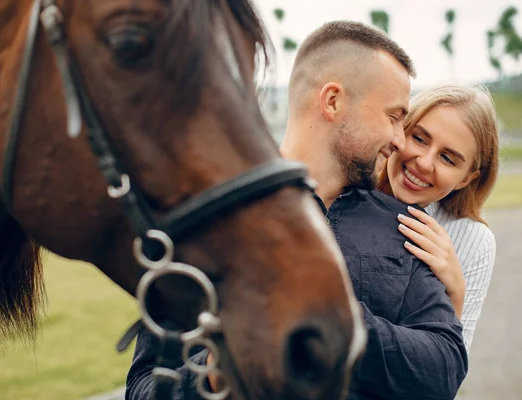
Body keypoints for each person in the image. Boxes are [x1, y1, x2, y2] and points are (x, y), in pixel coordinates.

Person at [126, 21, 468, 400]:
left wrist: (328, 318)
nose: (399, 139)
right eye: (393, 116)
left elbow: (444, 367)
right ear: (333, 101)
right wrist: (209, 379)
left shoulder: (405, 227)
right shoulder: (212, 221)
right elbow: (143, 386)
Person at [378, 84, 499, 352]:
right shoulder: (346, 189)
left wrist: (455, 292)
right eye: (419, 139)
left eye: (447, 158)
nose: (424, 162)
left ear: (466, 178)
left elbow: (446, 381)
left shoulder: (474, 241)